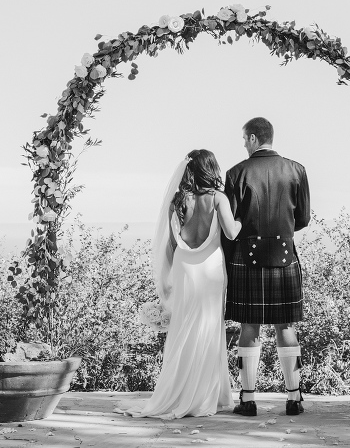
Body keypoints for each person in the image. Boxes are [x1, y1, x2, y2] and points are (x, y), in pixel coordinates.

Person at [125, 150, 242, 419]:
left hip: (184, 270)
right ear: (211, 169)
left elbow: (170, 245)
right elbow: (231, 233)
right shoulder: (218, 199)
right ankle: (206, 395)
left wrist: (165, 282)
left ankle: (179, 391)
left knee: (183, 330)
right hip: (210, 271)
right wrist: (242, 219)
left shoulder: (177, 202)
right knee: (209, 330)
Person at [224, 117, 310, 416]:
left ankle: (247, 400)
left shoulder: (236, 173)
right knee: (285, 326)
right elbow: (304, 218)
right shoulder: (297, 170)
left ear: (251, 138)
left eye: (243, 139)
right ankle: (294, 398)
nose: (242, 144)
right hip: (284, 254)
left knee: (250, 326)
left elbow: (230, 222)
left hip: (246, 255)